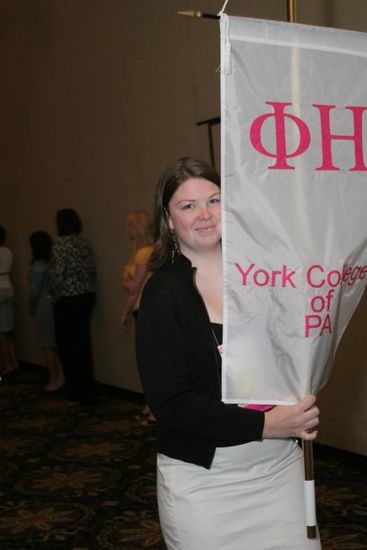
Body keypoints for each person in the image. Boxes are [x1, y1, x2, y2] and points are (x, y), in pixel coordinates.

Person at [136, 157, 321, 550]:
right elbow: (171, 402)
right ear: (169, 221)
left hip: (279, 470)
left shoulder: (263, 275)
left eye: (214, 200)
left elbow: (291, 357)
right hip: (204, 483)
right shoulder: (163, 293)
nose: (204, 215)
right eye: (187, 206)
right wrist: (267, 426)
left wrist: (300, 404)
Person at [50, 208, 96, 405]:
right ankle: (87, 389)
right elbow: (91, 270)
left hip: (68, 300)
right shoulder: (84, 243)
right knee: (82, 344)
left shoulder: (60, 245)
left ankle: (76, 392)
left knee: (67, 347)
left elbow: (57, 275)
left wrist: (54, 295)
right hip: (86, 297)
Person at [121, 210, 155, 425]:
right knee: (148, 361)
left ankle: (155, 409)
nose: (128, 230)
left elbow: (134, 287)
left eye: (131, 226)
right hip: (143, 309)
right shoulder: (144, 251)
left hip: (145, 310)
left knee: (149, 362)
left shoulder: (145, 253)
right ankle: (150, 404)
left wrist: (123, 312)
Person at [28, 231, 64, 391]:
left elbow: (35, 290)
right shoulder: (52, 261)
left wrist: (31, 307)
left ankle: (54, 378)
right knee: (56, 341)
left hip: (43, 302)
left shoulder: (38, 265)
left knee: (47, 343)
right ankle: (61, 376)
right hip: (54, 301)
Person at [0, 225, 19, 375]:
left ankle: (7, 364)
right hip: (9, 287)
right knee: (8, 329)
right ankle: (14, 361)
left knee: (1, 332)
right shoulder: (7, 252)